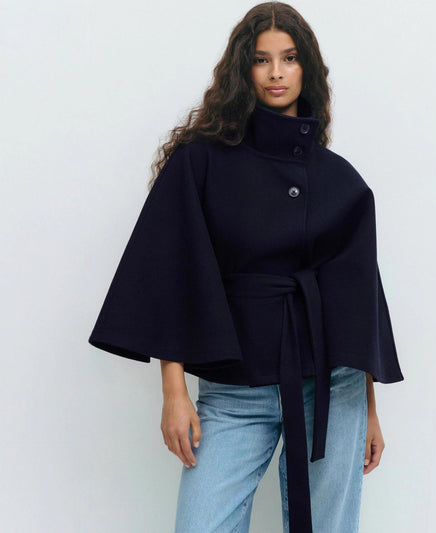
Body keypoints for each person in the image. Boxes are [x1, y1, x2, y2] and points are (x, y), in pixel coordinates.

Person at [88, 2, 405, 532]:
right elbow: (171, 270)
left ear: (307, 69)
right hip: (235, 390)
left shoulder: (342, 180)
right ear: (243, 68)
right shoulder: (200, 161)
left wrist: (368, 409)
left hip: (333, 390)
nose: (276, 72)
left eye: (289, 58)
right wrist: (174, 392)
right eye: (262, 59)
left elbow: (357, 302)